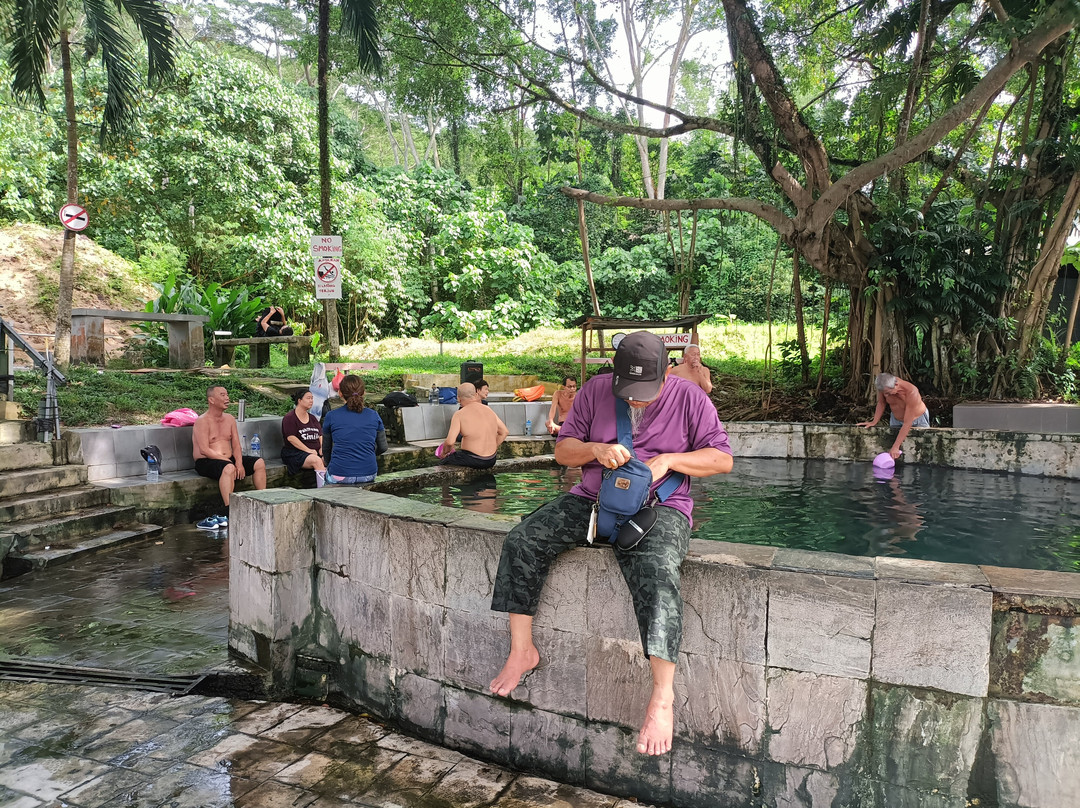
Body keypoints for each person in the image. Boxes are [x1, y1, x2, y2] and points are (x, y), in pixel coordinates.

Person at [489, 331, 733, 756]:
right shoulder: (595, 391)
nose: (636, 401)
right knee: (522, 540)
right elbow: (563, 451)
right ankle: (522, 650)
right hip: (594, 497)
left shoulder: (691, 398)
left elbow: (722, 458)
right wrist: (594, 450)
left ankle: (662, 695)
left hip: (662, 505)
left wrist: (670, 460)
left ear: (666, 373)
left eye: (646, 392)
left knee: (657, 572)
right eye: (629, 392)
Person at [192, 385, 267, 529]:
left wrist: (239, 462)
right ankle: (229, 509)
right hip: (206, 461)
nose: (227, 398)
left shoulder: (229, 419)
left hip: (228, 460)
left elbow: (236, 445)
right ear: (211, 400)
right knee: (228, 467)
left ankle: (262, 500)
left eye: (227, 395)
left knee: (259, 463)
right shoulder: (202, 421)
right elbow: (204, 450)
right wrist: (228, 461)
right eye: (222, 395)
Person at [320, 375, 387, 485]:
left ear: (340, 393)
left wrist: (329, 463)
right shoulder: (374, 415)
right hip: (368, 473)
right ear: (363, 392)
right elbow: (383, 447)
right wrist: (366, 452)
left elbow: (326, 449)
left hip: (339, 473)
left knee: (326, 482)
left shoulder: (331, 416)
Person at [857, 372, 930, 460]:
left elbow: (907, 423)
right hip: (896, 419)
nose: (886, 395)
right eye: (884, 393)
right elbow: (881, 403)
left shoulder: (911, 392)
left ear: (896, 385)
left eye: (888, 393)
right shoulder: (884, 384)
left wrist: (896, 447)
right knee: (894, 450)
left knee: (922, 448)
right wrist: (874, 421)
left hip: (917, 419)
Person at [438, 383, 509, 469]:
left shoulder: (459, 414)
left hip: (473, 459)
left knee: (442, 464)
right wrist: (492, 448)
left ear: (458, 399)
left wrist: (444, 453)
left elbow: (450, 442)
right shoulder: (488, 409)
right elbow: (504, 432)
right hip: (491, 459)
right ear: (475, 395)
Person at [281, 390, 326, 486]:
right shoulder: (290, 418)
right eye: (308, 398)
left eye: (312, 398)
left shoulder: (313, 418)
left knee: (330, 457)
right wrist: (308, 450)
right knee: (316, 460)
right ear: (299, 400)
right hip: (295, 453)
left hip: (315, 452)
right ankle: (324, 490)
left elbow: (320, 435)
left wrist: (323, 448)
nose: (311, 401)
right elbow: (291, 438)